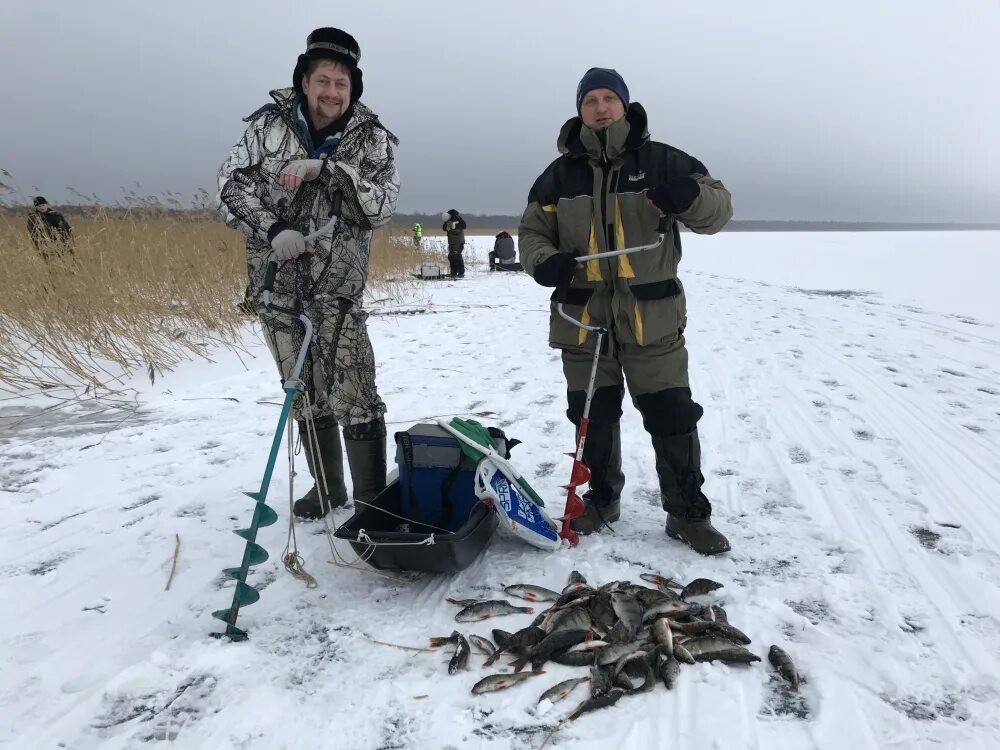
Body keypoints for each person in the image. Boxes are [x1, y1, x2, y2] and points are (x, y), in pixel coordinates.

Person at [518, 68, 733, 555]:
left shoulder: (663, 162)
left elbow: (719, 210)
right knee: (592, 414)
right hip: (583, 319)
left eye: (608, 98)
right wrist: (543, 261)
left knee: (672, 415)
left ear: (624, 106)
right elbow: (532, 233)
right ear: (579, 109)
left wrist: (691, 196)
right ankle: (601, 500)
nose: (599, 107)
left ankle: (686, 514)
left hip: (650, 318)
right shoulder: (557, 177)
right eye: (590, 99)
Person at [217, 27, 400, 520]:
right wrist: (272, 227)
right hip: (276, 284)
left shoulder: (372, 138)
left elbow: (382, 205)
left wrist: (332, 171)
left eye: (342, 83)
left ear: (352, 89)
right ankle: (327, 489)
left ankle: (370, 501)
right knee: (302, 391)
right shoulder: (265, 128)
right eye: (323, 80)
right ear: (304, 81)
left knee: (355, 390)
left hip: (338, 288)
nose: (332, 92)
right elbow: (230, 187)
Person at [441, 209, 466, 278]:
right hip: (452, 242)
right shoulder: (449, 220)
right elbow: (444, 228)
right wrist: (448, 225)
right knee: (451, 256)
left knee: (457, 256)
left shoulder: (458, 219)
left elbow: (464, 225)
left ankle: (461, 273)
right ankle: (454, 273)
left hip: (458, 242)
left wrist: (453, 225)